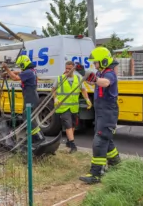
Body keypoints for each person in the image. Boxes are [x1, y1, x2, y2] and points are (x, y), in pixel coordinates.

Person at [79, 47, 121, 184]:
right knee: (106, 138)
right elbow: (93, 81)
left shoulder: (109, 74)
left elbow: (105, 83)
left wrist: (94, 78)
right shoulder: (101, 72)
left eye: (96, 62)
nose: (94, 65)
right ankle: (116, 164)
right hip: (102, 111)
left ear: (103, 61)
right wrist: (83, 73)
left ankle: (96, 174)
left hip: (108, 111)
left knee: (100, 140)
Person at [2, 55, 44, 143]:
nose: (20, 67)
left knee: (28, 118)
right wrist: (10, 72)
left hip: (30, 98)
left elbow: (14, 78)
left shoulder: (28, 72)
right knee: (27, 118)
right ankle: (33, 137)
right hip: (31, 96)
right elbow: (19, 73)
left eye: (20, 65)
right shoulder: (31, 71)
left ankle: (39, 137)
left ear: (23, 64)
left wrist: (7, 69)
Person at [52, 61, 92, 154]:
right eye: (66, 68)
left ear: (73, 69)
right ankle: (73, 145)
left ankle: (69, 141)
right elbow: (53, 90)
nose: (67, 70)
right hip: (63, 107)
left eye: (69, 69)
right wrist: (55, 98)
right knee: (68, 124)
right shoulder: (60, 78)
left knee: (73, 125)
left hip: (74, 107)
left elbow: (83, 90)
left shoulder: (78, 78)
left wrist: (87, 99)